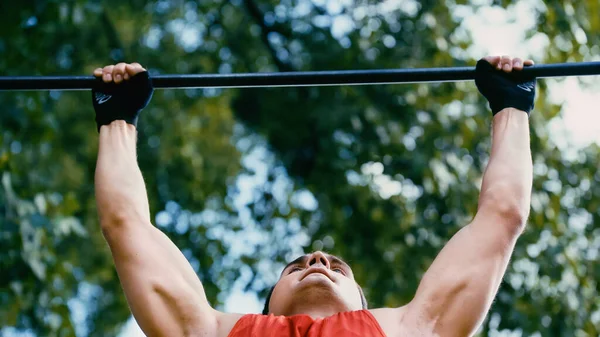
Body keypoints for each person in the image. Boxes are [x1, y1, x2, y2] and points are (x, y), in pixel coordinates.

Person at [93, 55, 535, 337]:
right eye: (298, 266)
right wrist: (117, 118)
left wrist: (511, 103)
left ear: (365, 303)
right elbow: (125, 226)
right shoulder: (211, 331)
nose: (317, 260)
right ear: (269, 303)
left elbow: (503, 216)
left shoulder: (409, 328)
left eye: (334, 265)